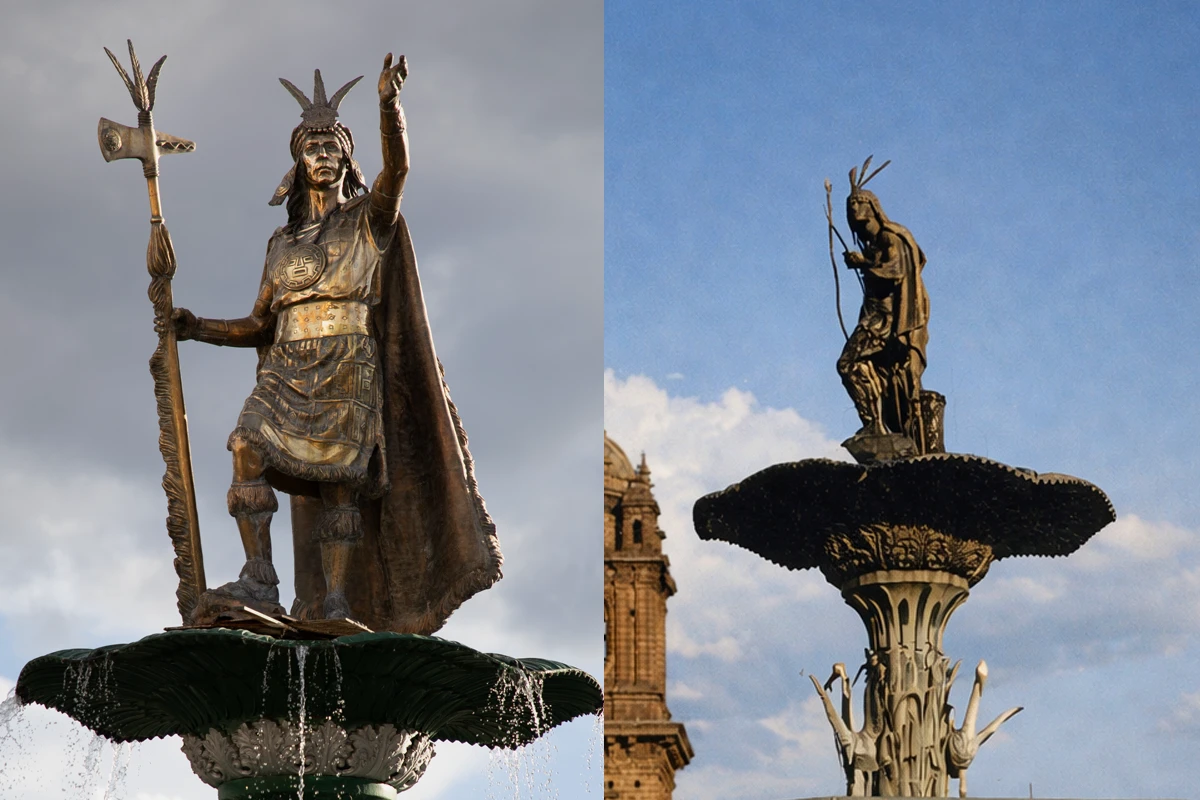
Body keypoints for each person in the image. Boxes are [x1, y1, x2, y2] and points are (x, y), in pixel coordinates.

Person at [171, 56, 501, 631]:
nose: (321, 157)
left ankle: (338, 602)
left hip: (349, 362)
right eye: (311, 149)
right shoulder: (281, 243)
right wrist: (196, 326)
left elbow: (396, 174)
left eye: (331, 149)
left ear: (346, 158)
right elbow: (258, 325)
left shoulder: (368, 221)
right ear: (298, 163)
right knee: (247, 444)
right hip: (287, 365)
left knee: (337, 488)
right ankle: (260, 577)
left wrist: (388, 108)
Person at [837, 160, 930, 446]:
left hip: (886, 320)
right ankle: (877, 423)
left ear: (872, 207)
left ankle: (875, 424)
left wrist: (862, 263)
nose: (853, 209)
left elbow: (896, 269)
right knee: (867, 369)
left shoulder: (891, 236)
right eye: (850, 204)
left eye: (859, 202)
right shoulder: (873, 244)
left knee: (849, 364)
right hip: (873, 316)